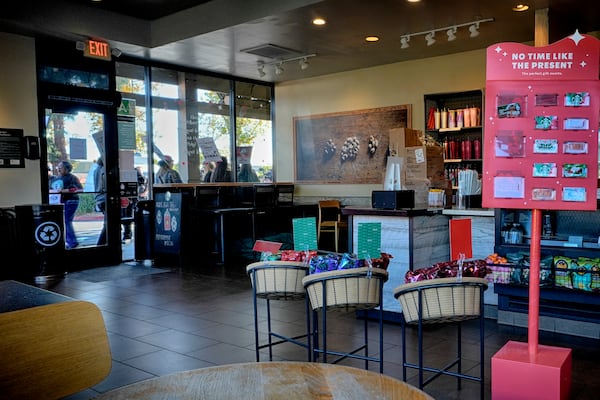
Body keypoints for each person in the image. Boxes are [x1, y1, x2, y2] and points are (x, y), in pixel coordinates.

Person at [51, 160, 83, 249]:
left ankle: (72, 242)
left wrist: (64, 191)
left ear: (67, 169)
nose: (58, 169)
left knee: (67, 221)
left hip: (70, 201)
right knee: (64, 221)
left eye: (60, 168)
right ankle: (69, 241)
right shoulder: (55, 178)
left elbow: (80, 189)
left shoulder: (72, 178)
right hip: (59, 202)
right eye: (58, 168)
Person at [94, 158, 107, 245]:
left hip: (99, 198)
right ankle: (101, 244)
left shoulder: (96, 170)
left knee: (108, 223)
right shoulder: (103, 170)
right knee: (108, 224)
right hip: (104, 197)